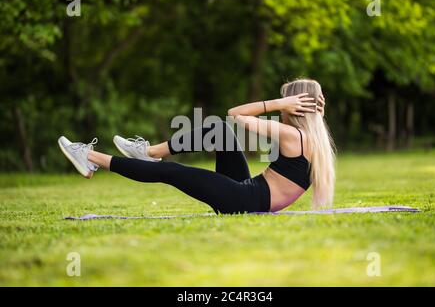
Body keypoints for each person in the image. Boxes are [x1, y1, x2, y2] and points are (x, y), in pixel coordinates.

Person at [58, 78, 335, 214]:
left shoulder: (291, 135)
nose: (282, 107)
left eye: (286, 102)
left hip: (244, 201)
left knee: (173, 172)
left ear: (295, 106)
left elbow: (236, 113)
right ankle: (150, 152)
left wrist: (276, 105)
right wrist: (310, 111)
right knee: (220, 131)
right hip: (249, 193)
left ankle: (90, 157)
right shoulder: (315, 140)